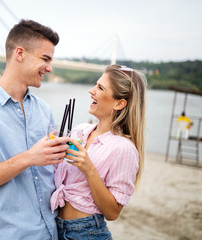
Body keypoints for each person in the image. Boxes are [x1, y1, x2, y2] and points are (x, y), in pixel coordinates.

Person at [0, 19, 69, 240]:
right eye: (45, 59)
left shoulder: (44, 109)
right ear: (20, 53)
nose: (50, 68)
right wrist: (29, 158)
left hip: (51, 232)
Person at [50, 65, 147, 239]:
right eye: (96, 84)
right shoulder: (81, 130)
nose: (91, 91)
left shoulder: (124, 148)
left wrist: (89, 169)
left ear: (119, 103)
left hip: (88, 232)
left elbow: (112, 213)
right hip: (55, 227)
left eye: (100, 87)